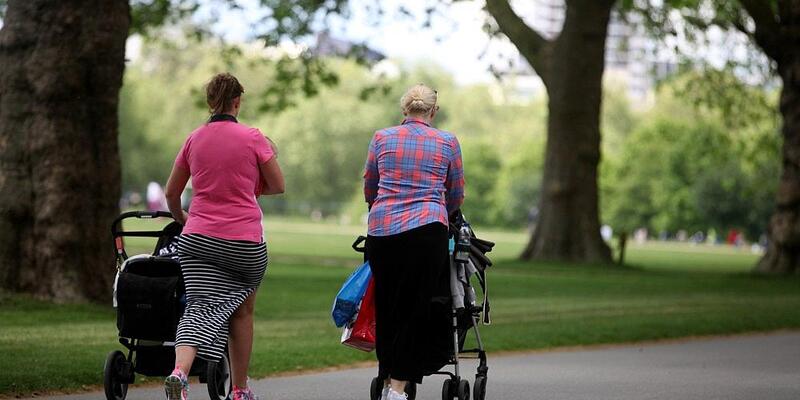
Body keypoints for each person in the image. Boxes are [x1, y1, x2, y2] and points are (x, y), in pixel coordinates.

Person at [163, 73, 284, 400]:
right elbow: (278, 185)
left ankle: (179, 373)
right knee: (242, 314)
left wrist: (184, 220)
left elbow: (172, 193)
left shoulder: (194, 139)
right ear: (237, 102)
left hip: (197, 239)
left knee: (197, 307)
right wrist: (248, 188)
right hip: (244, 243)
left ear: (209, 102)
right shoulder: (254, 138)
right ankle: (240, 390)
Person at [363, 84, 465, 400]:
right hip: (427, 232)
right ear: (433, 111)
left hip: (383, 232)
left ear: (404, 110)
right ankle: (397, 386)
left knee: (387, 306)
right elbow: (456, 192)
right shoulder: (447, 142)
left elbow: (370, 185)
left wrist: (380, 207)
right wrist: (440, 213)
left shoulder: (382, 137)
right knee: (415, 308)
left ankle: (388, 376)